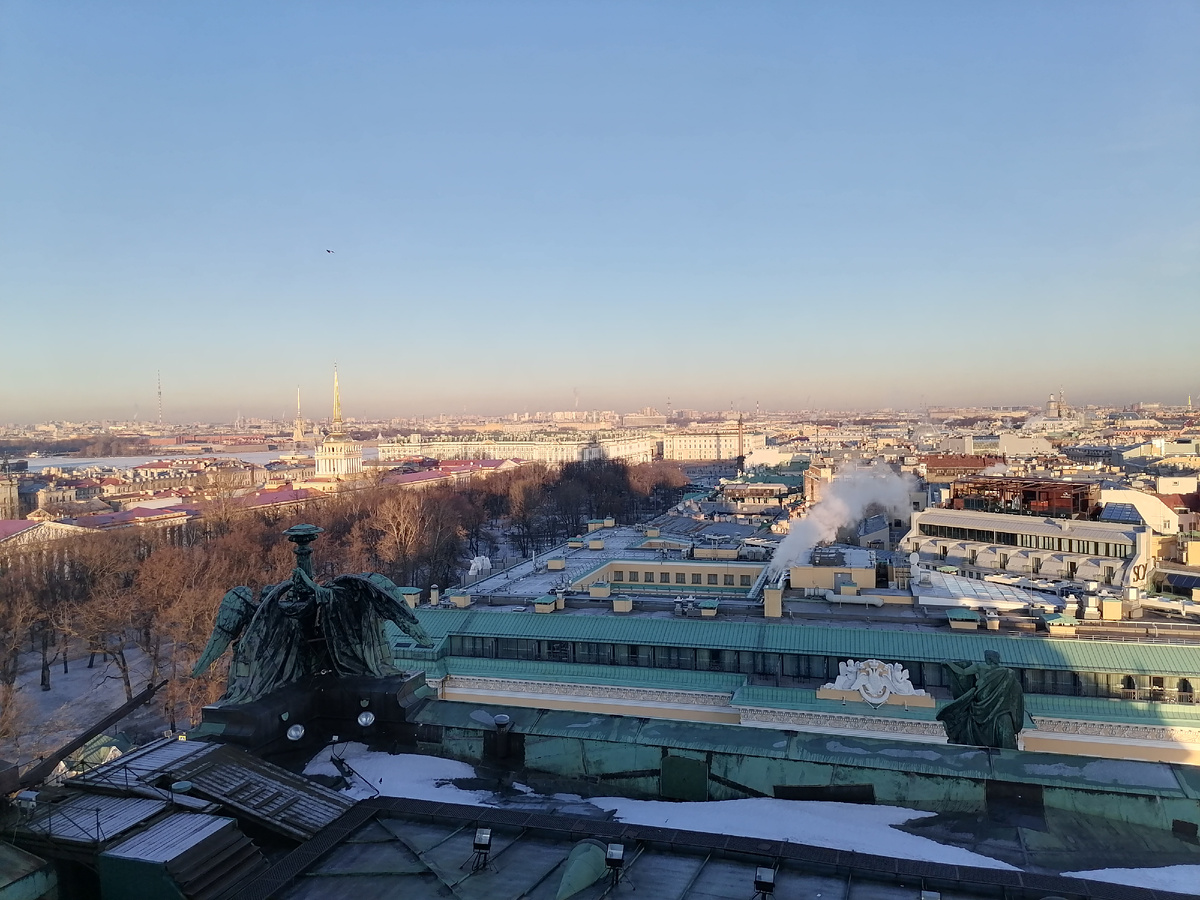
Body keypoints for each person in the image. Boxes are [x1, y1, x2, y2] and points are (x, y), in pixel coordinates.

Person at [936, 650, 1025, 749]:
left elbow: (962, 672)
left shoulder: (980, 667)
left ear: (989, 659)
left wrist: (949, 663)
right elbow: (1015, 694)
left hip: (979, 706)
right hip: (998, 707)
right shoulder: (1007, 674)